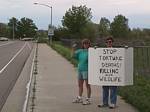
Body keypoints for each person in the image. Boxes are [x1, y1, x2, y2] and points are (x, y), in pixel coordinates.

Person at [98, 36, 117, 109]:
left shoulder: (116, 51)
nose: (109, 43)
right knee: (105, 88)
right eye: (107, 42)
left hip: (113, 73)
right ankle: (105, 103)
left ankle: (113, 103)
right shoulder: (102, 51)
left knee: (113, 88)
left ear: (112, 42)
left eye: (110, 42)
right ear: (106, 43)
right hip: (105, 73)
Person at [71, 39, 91, 105]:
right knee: (80, 85)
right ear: (83, 44)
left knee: (87, 85)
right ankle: (79, 98)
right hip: (80, 70)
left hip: (86, 70)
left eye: (87, 43)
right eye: (84, 43)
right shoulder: (80, 51)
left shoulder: (91, 51)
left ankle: (88, 99)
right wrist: (73, 48)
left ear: (89, 44)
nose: (85, 45)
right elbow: (73, 56)